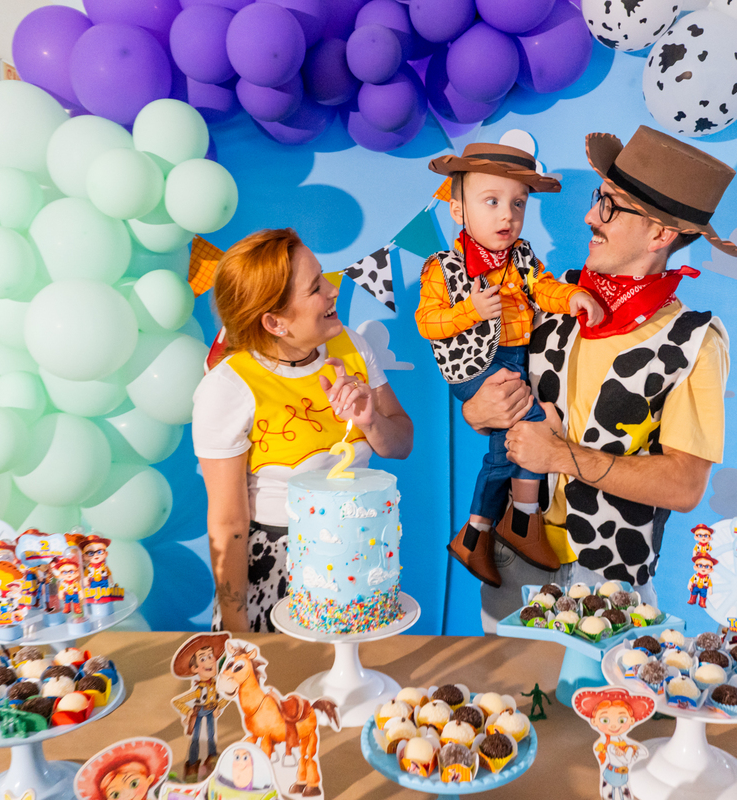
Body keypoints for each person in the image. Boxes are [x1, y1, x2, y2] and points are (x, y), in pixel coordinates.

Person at [463, 126, 737, 610]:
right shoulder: (550, 297)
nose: (591, 216)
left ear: (660, 234)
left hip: (610, 579)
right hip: (514, 555)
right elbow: (486, 402)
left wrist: (560, 455)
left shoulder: (695, 341)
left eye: (611, 207)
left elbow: (684, 485)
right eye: (599, 199)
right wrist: (477, 410)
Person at [193, 229, 414, 633]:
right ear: (274, 322)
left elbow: (401, 444)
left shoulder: (352, 346)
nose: (333, 290)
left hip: (357, 562)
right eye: (315, 288)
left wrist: (370, 421)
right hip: (275, 566)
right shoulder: (228, 387)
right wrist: (238, 630)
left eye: (324, 277)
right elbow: (228, 524)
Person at [418, 143, 603, 587]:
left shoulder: (521, 257)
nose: (507, 215)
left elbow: (544, 288)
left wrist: (573, 296)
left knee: (506, 447)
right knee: (535, 426)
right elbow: (427, 322)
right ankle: (522, 518)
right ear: (458, 211)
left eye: (518, 204)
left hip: (515, 358)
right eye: (492, 201)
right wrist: (471, 311)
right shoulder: (443, 267)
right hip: (475, 365)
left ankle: (478, 532)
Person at [170, 633, 231, 783]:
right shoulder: (197, 689)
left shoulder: (217, 685)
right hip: (198, 712)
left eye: (211, 656)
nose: (210, 661)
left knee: (211, 736)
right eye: (203, 658)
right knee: (196, 739)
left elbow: (226, 696)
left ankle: (212, 759)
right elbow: (178, 702)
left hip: (211, 712)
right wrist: (189, 711)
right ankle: (192, 766)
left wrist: (218, 706)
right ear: (194, 668)